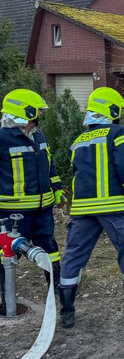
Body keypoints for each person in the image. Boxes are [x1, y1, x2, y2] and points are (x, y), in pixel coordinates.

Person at [58, 87, 124, 328]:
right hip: (113, 207)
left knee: (74, 255)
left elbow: (76, 173)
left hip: (82, 209)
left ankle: (66, 311)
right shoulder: (118, 133)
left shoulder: (78, 140)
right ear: (111, 110)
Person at [0, 89, 65, 289]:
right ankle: (4, 295)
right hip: (13, 213)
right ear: (25, 112)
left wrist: (57, 187)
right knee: (9, 254)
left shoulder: (39, 136)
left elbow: (49, 164)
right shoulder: (2, 138)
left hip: (43, 210)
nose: (41, 114)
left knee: (50, 249)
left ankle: (58, 285)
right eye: (38, 110)